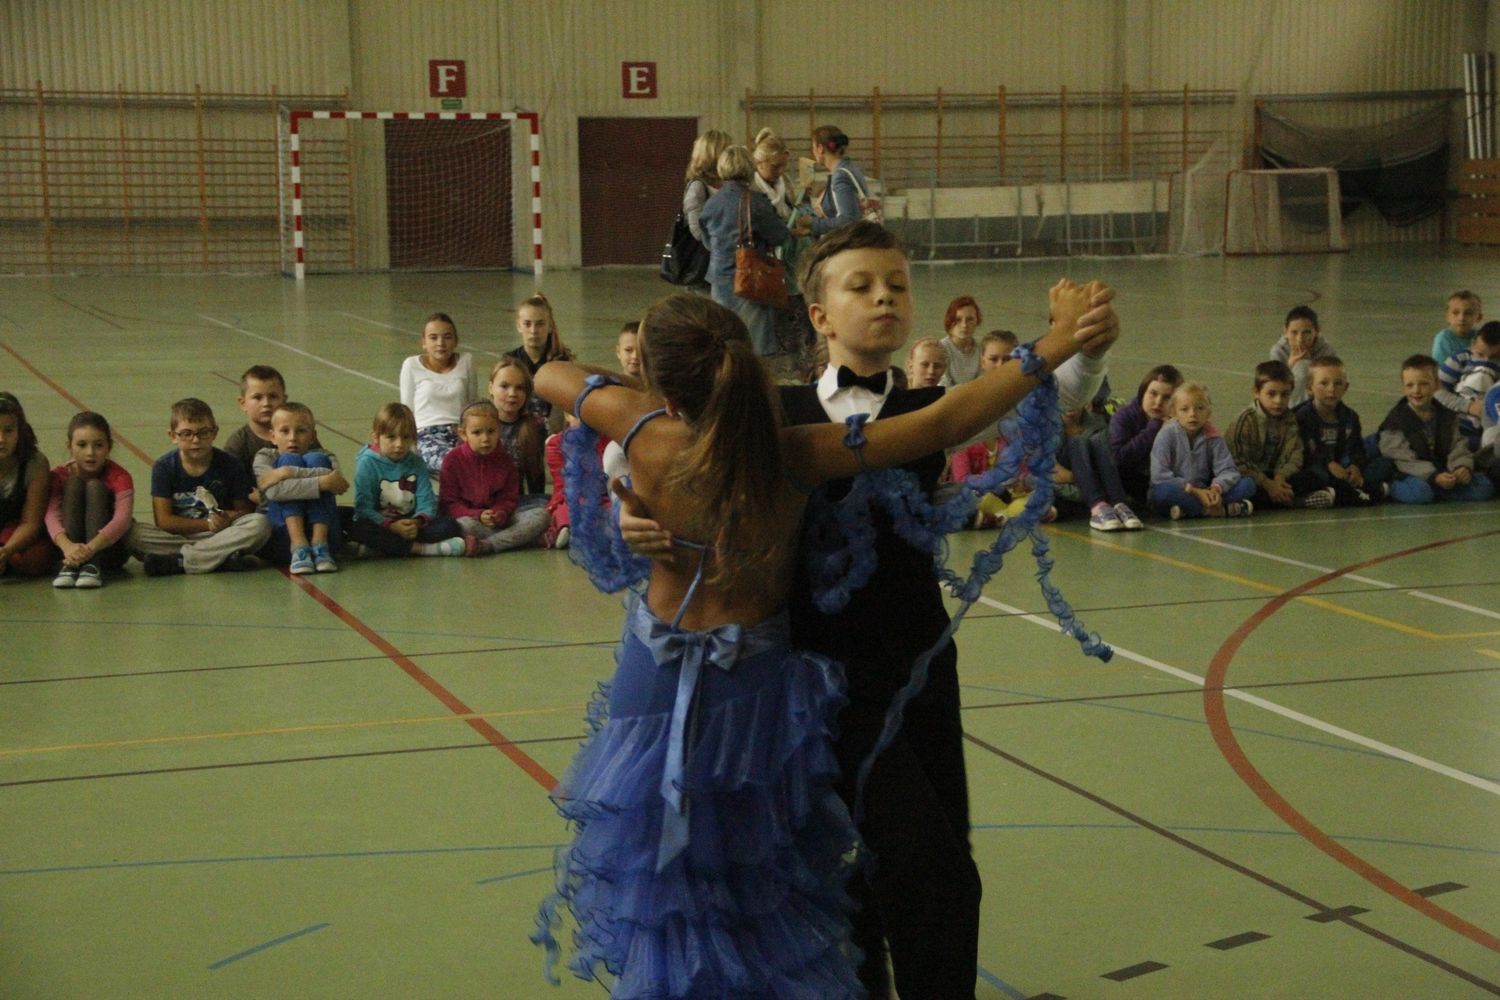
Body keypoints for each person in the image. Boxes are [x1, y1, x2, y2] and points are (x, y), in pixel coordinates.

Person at [533, 268, 1117, 1000]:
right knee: (760, 877)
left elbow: (552, 374)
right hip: (753, 690)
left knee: (670, 881)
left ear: (662, 386)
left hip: (653, 681)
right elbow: (944, 422)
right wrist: (1057, 340)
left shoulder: (640, 426)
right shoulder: (794, 451)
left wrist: (631, 394)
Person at [130, 398, 270, 577]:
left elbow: (244, 512)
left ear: (214, 432)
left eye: (203, 432)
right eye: (186, 434)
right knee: (132, 534)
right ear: (173, 436)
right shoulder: (164, 467)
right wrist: (207, 524)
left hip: (219, 536)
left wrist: (226, 518)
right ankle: (218, 559)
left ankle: (180, 561)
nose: (196, 440)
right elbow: (164, 522)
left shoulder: (230, 464)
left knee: (260, 523)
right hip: (180, 537)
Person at [699, 144, 791, 356]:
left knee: (726, 342)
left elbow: (706, 241)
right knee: (755, 345)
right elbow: (779, 236)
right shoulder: (756, 202)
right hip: (751, 279)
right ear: (750, 167)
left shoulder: (711, 203)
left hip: (719, 279)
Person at [349, 402, 469, 557]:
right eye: (391, 437)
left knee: (450, 525)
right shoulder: (367, 463)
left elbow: (426, 501)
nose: (399, 444)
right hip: (382, 524)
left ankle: (384, 548)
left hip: (411, 523)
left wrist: (417, 522)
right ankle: (424, 549)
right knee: (359, 527)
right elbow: (364, 508)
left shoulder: (416, 462)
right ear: (376, 437)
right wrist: (392, 526)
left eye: (406, 437)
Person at [1378, 354, 1496, 504]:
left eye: (1424, 384)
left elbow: (1458, 446)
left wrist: (1461, 468)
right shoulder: (1395, 421)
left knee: (1484, 487)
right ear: (1403, 387)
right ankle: (1391, 487)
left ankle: (1439, 490)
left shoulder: (1447, 415)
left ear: (1436, 385)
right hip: (1408, 473)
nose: (1416, 390)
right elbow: (1402, 459)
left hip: (1440, 470)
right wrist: (1433, 476)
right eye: (1410, 385)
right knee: (1421, 493)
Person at [440, 401, 550, 554]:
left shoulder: (505, 460)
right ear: (463, 434)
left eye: (491, 431)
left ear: (499, 430)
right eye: (477, 433)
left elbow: (509, 498)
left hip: (502, 520)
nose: (485, 438)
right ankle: (524, 540)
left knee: (541, 515)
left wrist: (499, 513)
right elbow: (449, 504)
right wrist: (478, 515)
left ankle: (487, 545)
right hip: (471, 520)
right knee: (461, 526)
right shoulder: (452, 460)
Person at [1225, 360, 1335, 509]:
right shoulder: (1244, 421)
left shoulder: (1290, 419)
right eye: (1271, 394)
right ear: (1256, 392)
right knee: (1247, 487)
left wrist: (1279, 478)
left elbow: (1295, 454)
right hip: (1254, 477)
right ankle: (1297, 501)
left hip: (1277, 476)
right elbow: (1238, 462)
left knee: (1317, 475)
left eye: (1285, 395)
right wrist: (1267, 484)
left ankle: (1278, 498)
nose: (1278, 401)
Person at [253, 402, 347, 573]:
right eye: (284, 431)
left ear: (313, 436)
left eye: (301, 431)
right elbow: (275, 492)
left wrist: (286, 474)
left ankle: (320, 545)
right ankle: (299, 547)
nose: (293, 438)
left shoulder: (326, 456)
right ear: (272, 436)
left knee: (316, 458)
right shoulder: (264, 457)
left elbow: (338, 485)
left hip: (328, 538)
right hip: (282, 539)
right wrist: (321, 482)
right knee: (289, 459)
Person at [46, 412, 135, 588]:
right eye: (82, 445)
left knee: (95, 486)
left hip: (107, 550)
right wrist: (68, 547)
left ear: (109, 447)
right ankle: (70, 567)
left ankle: (92, 565)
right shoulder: (58, 476)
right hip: (68, 552)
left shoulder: (120, 476)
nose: (90, 453)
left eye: (99, 445)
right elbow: (51, 515)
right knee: (73, 484)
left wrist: (89, 550)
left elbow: (122, 520)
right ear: (69, 446)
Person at [1292, 356, 1393, 506]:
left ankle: (1344, 490)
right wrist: (1328, 464)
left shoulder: (1350, 416)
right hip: (1317, 467)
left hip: (1342, 467)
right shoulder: (1301, 417)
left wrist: (1355, 466)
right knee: (1311, 476)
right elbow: (1305, 452)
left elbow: (1357, 448)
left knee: (1384, 465)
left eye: (1338, 383)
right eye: (1324, 383)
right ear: (1309, 388)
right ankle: (1362, 492)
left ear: (1345, 387)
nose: (1331, 389)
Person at [1149, 383, 1255, 519]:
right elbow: (1159, 476)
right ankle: (1216, 510)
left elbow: (1228, 470)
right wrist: (1195, 492)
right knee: (1162, 493)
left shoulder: (1213, 436)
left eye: (1200, 408)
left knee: (1248, 484)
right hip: (1181, 491)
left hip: (1205, 491)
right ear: (1174, 413)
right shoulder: (1166, 434)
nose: (1193, 414)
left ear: (1208, 412)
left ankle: (1192, 510)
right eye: (1184, 409)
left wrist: (1216, 489)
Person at [400, 312, 479, 476]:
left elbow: (472, 405)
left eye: (447, 337)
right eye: (433, 338)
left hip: (461, 433)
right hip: (427, 435)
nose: (440, 343)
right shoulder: (411, 365)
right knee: (452, 463)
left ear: (455, 341)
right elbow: (406, 411)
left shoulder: (466, 361)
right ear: (424, 342)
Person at [1109, 364, 1182, 505]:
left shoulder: (1182, 420)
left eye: (1167, 397)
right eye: (1153, 394)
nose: (1158, 402)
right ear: (1142, 393)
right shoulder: (1123, 416)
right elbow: (1118, 459)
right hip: (1131, 482)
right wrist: (1154, 427)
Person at [0, 392, 54, 579]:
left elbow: (30, 523)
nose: (1, 439)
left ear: (20, 431)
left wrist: (6, 551)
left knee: (36, 558)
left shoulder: (35, 463)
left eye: (8, 431)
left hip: (15, 531)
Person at [506, 294, 574, 431]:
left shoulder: (562, 363)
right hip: (518, 430)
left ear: (550, 326)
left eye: (540, 324)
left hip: (554, 431)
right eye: (527, 324)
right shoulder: (510, 361)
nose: (533, 331)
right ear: (518, 326)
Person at [801, 124, 873, 238]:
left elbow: (848, 221)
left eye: (813, 147)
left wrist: (813, 224)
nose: (812, 151)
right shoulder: (849, 168)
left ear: (820, 148)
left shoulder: (840, 176)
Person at [1436, 319, 1500, 447]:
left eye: (1495, 357)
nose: (1486, 361)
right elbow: (1436, 391)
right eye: (1480, 354)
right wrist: (1468, 406)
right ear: (1473, 344)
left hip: (1486, 432)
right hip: (1455, 426)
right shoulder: (1459, 359)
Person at [1270, 304, 1335, 407]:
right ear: (1285, 332)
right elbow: (1274, 386)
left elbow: (1331, 382)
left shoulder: (1325, 350)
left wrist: (1313, 367)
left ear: (1317, 331)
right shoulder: (1278, 351)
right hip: (1286, 404)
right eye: (1294, 332)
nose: (1300, 339)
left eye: (1306, 332)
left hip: (1319, 403)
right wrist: (1289, 366)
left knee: (1304, 366)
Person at [682, 128, 732, 249]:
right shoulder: (698, 187)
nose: (731, 155)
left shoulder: (729, 182)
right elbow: (697, 231)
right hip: (708, 254)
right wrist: (721, 249)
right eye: (727, 151)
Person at [939, 295, 983, 387]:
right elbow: (943, 384)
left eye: (970, 319)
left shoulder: (981, 348)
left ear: (977, 321)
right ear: (949, 320)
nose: (964, 325)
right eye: (958, 320)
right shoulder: (941, 349)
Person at [1432, 289, 1483, 364]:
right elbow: (1440, 368)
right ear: (1447, 317)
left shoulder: (1481, 337)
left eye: (1468, 313)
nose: (1461, 318)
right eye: (1455, 313)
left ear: (1479, 318)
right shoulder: (1443, 339)